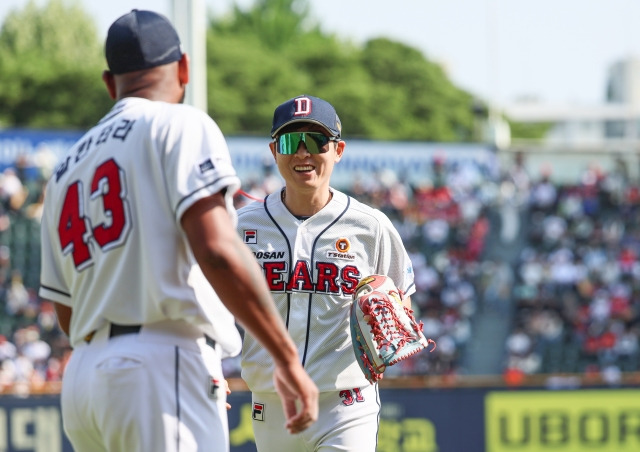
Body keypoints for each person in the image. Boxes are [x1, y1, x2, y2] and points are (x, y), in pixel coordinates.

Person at [38, 10, 318, 452]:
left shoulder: (65, 168)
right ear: (184, 68)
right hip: (156, 364)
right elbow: (217, 250)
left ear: (110, 84)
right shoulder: (180, 123)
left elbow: (65, 307)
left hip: (83, 381)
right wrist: (285, 358)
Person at [237, 94, 416, 451]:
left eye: (316, 140)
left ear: (338, 150)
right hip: (270, 399)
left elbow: (403, 300)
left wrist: (391, 331)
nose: (303, 152)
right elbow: (212, 303)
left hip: (346, 401)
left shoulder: (370, 226)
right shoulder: (242, 226)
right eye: (291, 141)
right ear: (274, 151)